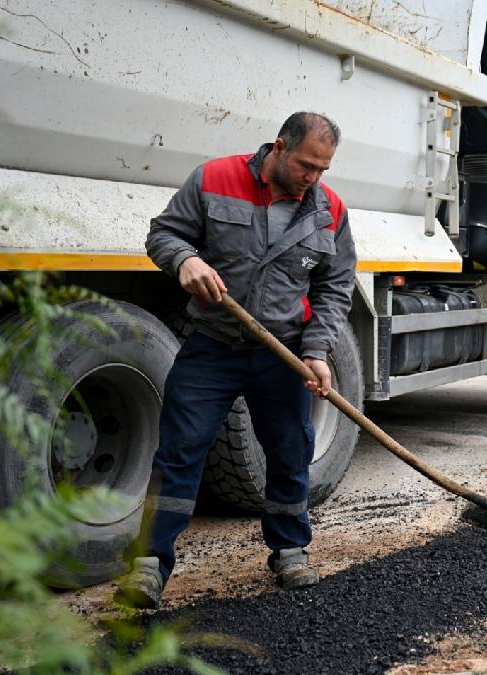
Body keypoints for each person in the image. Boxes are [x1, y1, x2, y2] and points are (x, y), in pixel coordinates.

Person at [115, 112, 357, 609]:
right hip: (214, 345)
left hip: (282, 353)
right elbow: (164, 235)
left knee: (291, 451)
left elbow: (335, 287)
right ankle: (148, 565)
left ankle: (290, 550)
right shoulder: (215, 178)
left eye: (323, 169)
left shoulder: (329, 210)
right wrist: (185, 259)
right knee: (179, 452)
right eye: (307, 164)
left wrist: (316, 352)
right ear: (279, 147)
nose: (313, 177)